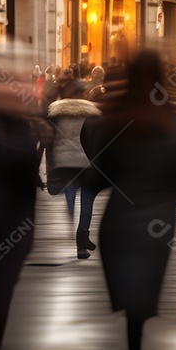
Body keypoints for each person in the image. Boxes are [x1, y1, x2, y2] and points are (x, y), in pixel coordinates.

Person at [84, 52, 176, 350]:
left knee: (129, 311)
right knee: (142, 311)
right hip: (158, 225)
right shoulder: (171, 122)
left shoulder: (116, 121)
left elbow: (97, 178)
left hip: (119, 224)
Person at [38, 85, 103, 258]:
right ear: (83, 95)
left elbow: (48, 140)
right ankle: (82, 240)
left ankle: (71, 215)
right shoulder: (92, 114)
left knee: (71, 188)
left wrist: (48, 162)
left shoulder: (55, 114)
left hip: (63, 160)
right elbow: (98, 141)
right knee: (87, 199)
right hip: (86, 160)